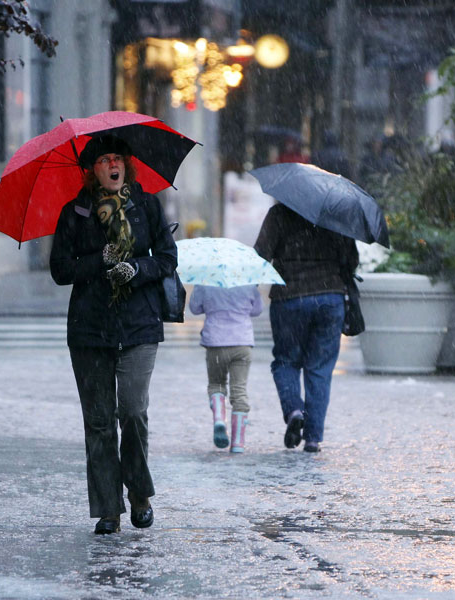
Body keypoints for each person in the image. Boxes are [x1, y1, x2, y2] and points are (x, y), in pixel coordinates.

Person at [49, 134, 178, 535]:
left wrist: (136, 269)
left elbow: (168, 258)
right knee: (100, 422)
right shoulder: (75, 212)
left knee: (133, 412)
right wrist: (98, 261)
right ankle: (109, 509)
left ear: (126, 164)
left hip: (139, 325)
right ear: (92, 170)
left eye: (117, 158)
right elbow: (60, 270)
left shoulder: (147, 206)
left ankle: (138, 492)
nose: (112, 165)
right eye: (104, 160)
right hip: (90, 329)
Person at [254, 203, 358, 453]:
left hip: (289, 297)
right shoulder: (336, 215)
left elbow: (261, 255)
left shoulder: (280, 213)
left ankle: (294, 410)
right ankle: (313, 437)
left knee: (286, 361)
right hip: (330, 297)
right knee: (319, 369)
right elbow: (351, 261)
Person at [188, 284, 264, 453]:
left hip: (215, 342)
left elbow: (194, 308)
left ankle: (219, 419)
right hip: (242, 343)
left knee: (217, 384)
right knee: (239, 391)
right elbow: (257, 310)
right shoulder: (248, 281)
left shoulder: (205, 281)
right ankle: (237, 444)